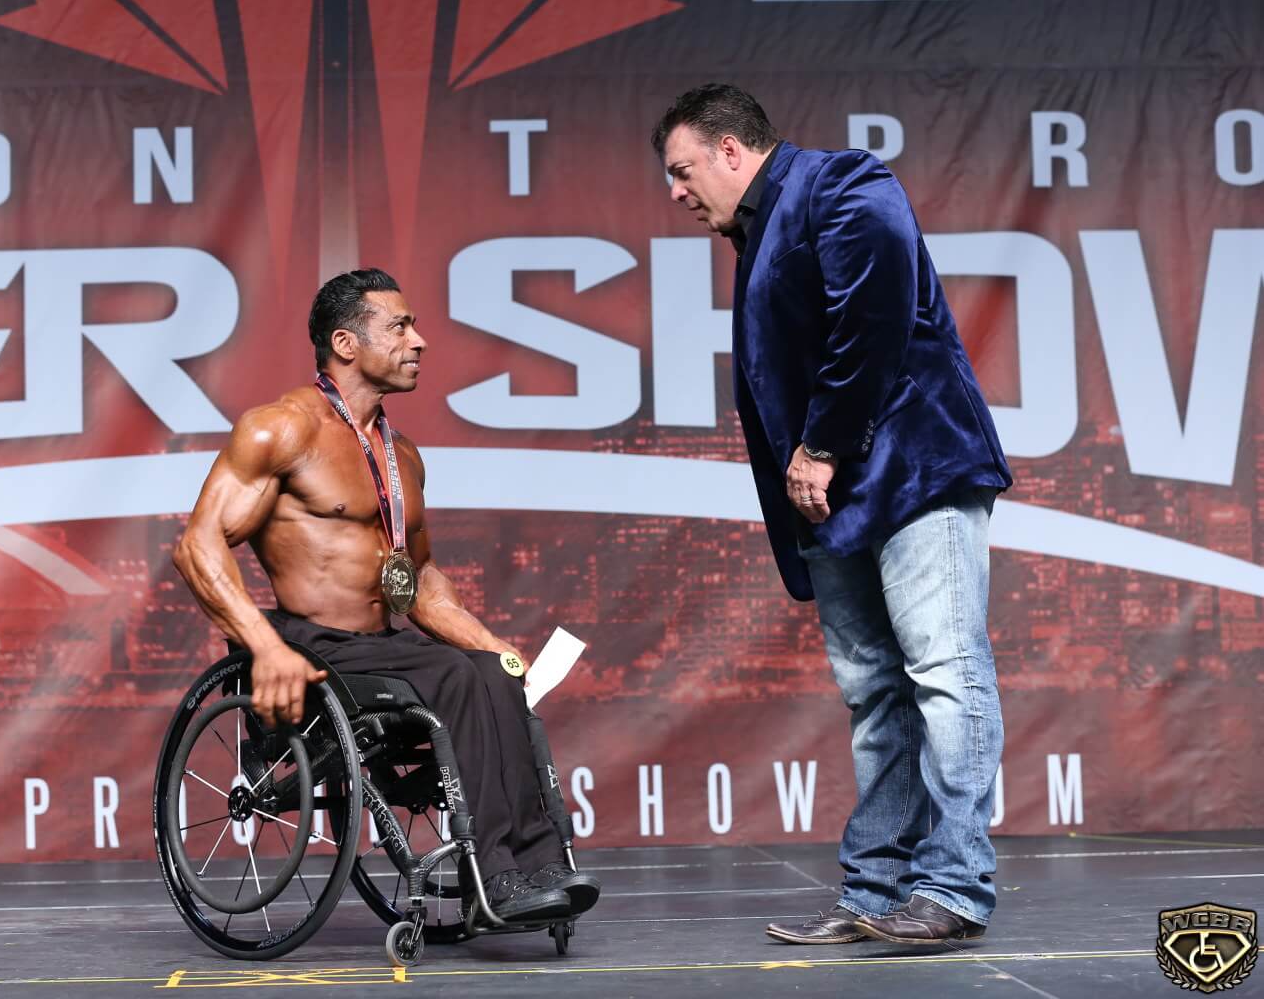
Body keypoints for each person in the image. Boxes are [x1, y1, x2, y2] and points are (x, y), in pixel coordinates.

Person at [652, 84, 1013, 945]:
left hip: (914, 471)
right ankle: (877, 892)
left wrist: (821, 445)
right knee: (877, 695)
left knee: (945, 672)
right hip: (836, 500)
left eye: (682, 169)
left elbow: (874, 318)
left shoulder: (845, 183)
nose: (675, 191)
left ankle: (955, 889)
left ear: (731, 150)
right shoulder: (760, 231)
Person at [171, 267, 599, 924]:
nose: (419, 341)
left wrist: (497, 647)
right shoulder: (281, 429)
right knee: (459, 677)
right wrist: (265, 649)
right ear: (346, 344)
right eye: (399, 327)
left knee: (492, 674)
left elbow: (418, 580)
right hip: (309, 645)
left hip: (383, 646)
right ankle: (498, 878)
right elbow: (196, 547)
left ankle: (537, 866)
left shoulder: (403, 458)